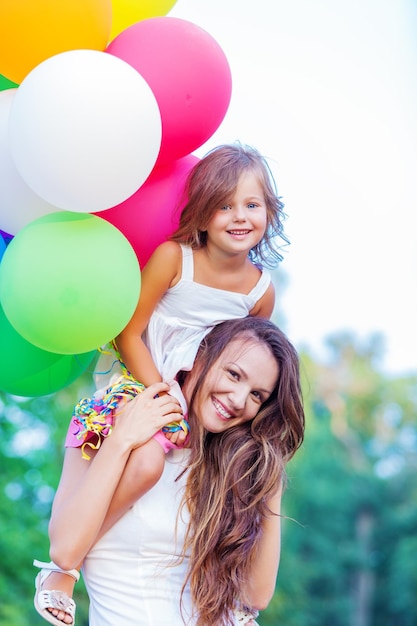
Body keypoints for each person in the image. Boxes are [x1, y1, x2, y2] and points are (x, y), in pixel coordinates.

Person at [34, 142, 288, 624]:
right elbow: (128, 333)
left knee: (231, 474)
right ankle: (63, 568)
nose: (239, 216)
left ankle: (228, 602)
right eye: (224, 205)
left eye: (252, 205)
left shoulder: (260, 290)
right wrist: (163, 395)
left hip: (196, 401)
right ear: (203, 212)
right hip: (141, 381)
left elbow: (252, 356)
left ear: (269, 211)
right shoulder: (175, 259)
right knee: (148, 460)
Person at [35, 317, 305, 626]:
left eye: (258, 395)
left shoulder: (236, 466)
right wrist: (123, 438)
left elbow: (256, 596)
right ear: (198, 357)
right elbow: (65, 550)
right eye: (233, 374)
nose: (239, 400)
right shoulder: (108, 413)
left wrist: (270, 479)